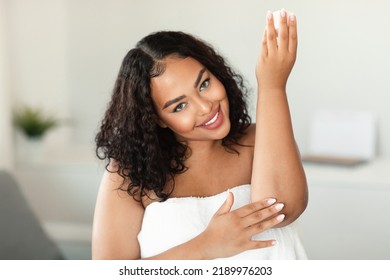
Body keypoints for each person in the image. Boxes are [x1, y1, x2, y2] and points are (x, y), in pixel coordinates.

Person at [92, 9, 308, 260]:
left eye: (204, 84)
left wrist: (272, 85)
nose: (206, 107)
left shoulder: (260, 140)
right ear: (156, 119)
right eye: (179, 106)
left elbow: (283, 209)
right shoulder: (130, 174)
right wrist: (205, 246)